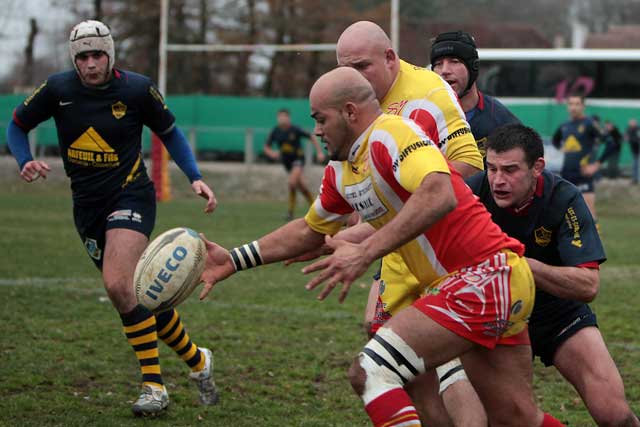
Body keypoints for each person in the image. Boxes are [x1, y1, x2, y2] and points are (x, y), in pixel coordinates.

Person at [198, 67, 565, 427]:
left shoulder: (392, 133)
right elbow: (310, 231)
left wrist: (367, 249)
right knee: (515, 418)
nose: (317, 130)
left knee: (370, 371)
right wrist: (233, 259)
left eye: (320, 119)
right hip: (494, 282)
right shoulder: (342, 169)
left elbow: (439, 193)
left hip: (483, 276)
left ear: (350, 112)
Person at [6, 20, 218, 416]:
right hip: (86, 207)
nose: (90, 64)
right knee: (138, 293)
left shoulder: (136, 89)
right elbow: (17, 126)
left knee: (118, 285)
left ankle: (154, 387)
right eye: (83, 57)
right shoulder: (57, 89)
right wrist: (24, 159)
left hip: (132, 195)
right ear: (75, 59)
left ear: (110, 55)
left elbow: (170, 132)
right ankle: (198, 361)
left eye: (97, 55)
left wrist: (195, 177)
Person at [335, 22, 484, 424]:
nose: (354, 76)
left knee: (471, 378)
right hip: (397, 248)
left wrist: (409, 202)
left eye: (362, 66)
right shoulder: (354, 104)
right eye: (346, 68)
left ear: (389, 58)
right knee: (385, 341)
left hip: (444, 248)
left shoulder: (430, 91)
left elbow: (470, 161)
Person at [466, 124, 639, 427]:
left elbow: (588, 284)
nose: (497, 180)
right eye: (491, 168)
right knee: (492, 419)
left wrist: (522, 265)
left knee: (615, 415)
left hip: (557, 313)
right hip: (494, 315)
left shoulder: (564, 198)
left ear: (537, 168)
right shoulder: (473, 190)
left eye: (510, 170)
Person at [430, 30, 520, 158]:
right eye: (438, 64)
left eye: (454, 61)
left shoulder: (501, 121)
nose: (444, 70)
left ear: (473, 67)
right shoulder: (421, 118)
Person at [552, 94, 614, 221]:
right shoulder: (565, 125)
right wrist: (562, 149)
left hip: (583, 174)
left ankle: (595, 241)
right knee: (567, 216)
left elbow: (611, 143)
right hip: (566, 174)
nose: (573, 107)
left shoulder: (589, 123)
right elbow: (555, 141)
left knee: (589, 214)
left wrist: (596, 165)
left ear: (583, 106)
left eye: (577, 104)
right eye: (570, 104)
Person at [264, 108, 326, 220]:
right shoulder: (275, 131)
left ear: (289, 118)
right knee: (302, 187)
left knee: (292, 183)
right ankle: (316, 209)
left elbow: (311, 137)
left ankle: (290, 213)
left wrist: (319, 152)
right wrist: (272, 153)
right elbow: (266, 147)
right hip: (287, 163)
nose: (282, 119)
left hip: (298, 160)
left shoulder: (295, 129)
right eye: (280, 117)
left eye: (284, 117)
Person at [625, 118, 640, 184]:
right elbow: (626, 138)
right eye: (630, 123)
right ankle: (635, 179)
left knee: (636, 164)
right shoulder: (628, 129)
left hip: (637, 148)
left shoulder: (638, 129)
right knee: (635, 164)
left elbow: (636, 139)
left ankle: (636, 178)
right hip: (634, 149)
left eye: (632, 123)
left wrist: (631, 139)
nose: (630, 124)